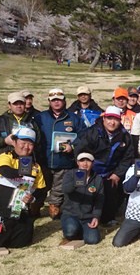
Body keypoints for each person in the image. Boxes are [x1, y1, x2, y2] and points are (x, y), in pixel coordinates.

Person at [0, 128, 46, 250]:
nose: (26, 147)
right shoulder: (5, 157)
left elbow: (41, 190)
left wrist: (33, 198)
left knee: (22, 243)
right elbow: (5, 171)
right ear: (15, 142)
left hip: (19, 214)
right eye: (23, 142)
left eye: (30, 144)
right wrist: (24, 173)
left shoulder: (36, 166)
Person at [72, 106, 135, 225]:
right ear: (104, 118)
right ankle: (83, 217)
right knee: (86, 193)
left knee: (111, 194)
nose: (112, 122)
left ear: (120, 120)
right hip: (92, 169)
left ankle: (107, 218)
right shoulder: (92, 132)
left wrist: (117, 174)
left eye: (115, 119)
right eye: (109, 118)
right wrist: (86, 169)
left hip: (111, 172)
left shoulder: (125, 136)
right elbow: (80, 150)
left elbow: (127, 158)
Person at [34, 88, 86, 219]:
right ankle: (34, 208)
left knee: (59, 188)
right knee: (41, 187)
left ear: (64, 101)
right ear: (49, 102)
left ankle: (55, 206)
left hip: (64, 160)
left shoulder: (74, 118)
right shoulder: (40, 117)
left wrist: (73, 146)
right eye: (54, 100)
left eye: (59, 100)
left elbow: (84, 136)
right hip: (44, 160)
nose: (57, 103)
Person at [0, 92, 41, 164]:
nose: (19, 106)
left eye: (21, 103)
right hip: (3, 160)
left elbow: (38, 141)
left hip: (26, 161)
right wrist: (4, 141)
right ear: (9, 105)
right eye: (15, 104)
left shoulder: (32, 121)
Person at [60, 153, 104, 245]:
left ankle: (83, 230)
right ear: (77, 163)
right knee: (70, 232)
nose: (85, 164)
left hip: (88, 217)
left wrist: (96, 217)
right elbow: (65, 190)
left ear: (92, 163)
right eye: (82, 161)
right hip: (70, 214)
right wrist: (77, 182)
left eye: (88, 161)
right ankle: (73, 229)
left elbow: (99, 200)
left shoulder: (98, 179)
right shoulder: (70, 174)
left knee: (93, 240)